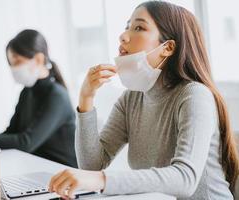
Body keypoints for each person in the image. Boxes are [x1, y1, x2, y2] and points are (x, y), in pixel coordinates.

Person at [48, 1, 239, 199]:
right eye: (127, 26)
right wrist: (86, 98)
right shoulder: (131, 98)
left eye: (138, 27)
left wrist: (102, 180)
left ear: (168, 47)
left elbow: (185, 179)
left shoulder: (194, 96)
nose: (122, 36)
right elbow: (91, 166)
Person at [0, 29, 77, 167]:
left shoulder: (57, 95)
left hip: (63, 176)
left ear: (38, 59)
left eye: (17, 62)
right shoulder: (26, 92)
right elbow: (10, 133)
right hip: (36, 170)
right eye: (11, 64)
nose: (13, 69)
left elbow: (26, 143)